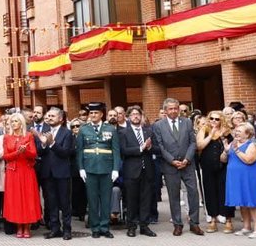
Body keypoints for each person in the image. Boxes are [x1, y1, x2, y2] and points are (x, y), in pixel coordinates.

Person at [153, 98, 203, 236]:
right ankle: (177, 224)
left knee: (193, 193)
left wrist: (187, 159)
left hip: (188, 164)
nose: (174, 111)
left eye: (176, 108)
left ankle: (194, 223)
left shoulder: (187, 122)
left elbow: (192, 142)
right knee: (173, 195)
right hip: (170, 166)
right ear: (165, 110)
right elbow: (160, 146)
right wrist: (172, 160)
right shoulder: (158, 125)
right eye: (171, 109)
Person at [75, 102, 120, 238]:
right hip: (90, 168)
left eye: (96, 113)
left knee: (106, 199)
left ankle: (105, 227)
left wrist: (115, 169)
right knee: (92, 199)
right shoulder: (83, 129)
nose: (93, 115)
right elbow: (79, 150)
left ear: (101, 114)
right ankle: (95, 227)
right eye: (91, 113)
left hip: (107, 168)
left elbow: (116, 150)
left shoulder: (110, 129)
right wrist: (81, 168)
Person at [119, 106, 157, 237]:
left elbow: (157, 148)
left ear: (141, 116)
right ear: (128, 117)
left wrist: (150, 147)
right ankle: (131, 226)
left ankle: (144, 226)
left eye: (138, 114)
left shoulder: (148, 131)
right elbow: (123, 150)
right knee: (131, 200)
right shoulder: (123, 132)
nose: (135, 116)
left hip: (147, 170)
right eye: (133, 114)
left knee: (146, 199)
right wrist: (141, 148)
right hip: (131, 171)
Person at [1, 113, 40, 239]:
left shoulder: (28, 136)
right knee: (15, 199)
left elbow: (34, 154)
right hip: (13, 171)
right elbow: (5, 156)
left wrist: (25, 151)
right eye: (12, 121)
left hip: (26, 170)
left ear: (21, 123)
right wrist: (17, 152)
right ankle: (18, 227)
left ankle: (27, 227)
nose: (13, 124)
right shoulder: (7, 137)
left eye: (16, 121)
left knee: (27, 198)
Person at [224, 120, 256, 238]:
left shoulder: (252, 145)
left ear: (247, 134)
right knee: (242, 202)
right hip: (237, 177)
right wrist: (226, 151)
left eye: (239, 131)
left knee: (253, 202)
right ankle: (246, 227)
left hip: (250, 177)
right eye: (236, 131)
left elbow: (249, 160)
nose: (236, 133)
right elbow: (223, 159)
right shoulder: (233, 143)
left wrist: (236, 150)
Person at [38, 106, 75, 240]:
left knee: (65, 202)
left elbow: (66, 152)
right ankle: (55, 229)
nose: (49, 118)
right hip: (48, 172)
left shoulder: (67, 133)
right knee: (51, 202)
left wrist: (52, 143)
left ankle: (67, 229)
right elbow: (39, 152)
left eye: (52, 116)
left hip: (62, 172)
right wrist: (43, 144)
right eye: (48, 116)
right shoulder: (45, 131)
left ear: (60, 119)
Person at [197, 111, 231, 232]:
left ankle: (228, 220)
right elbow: (199, 146)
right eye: (211, 118)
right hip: (207, 166)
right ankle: (213, 220)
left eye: (217, 119)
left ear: (222, 120)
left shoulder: (227, 132)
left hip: (224, 166)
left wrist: (222, 139)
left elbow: (230, 147)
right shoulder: (204, 130)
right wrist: (211, 135)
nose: (214, 121)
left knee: (225, 192)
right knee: (210, 192)